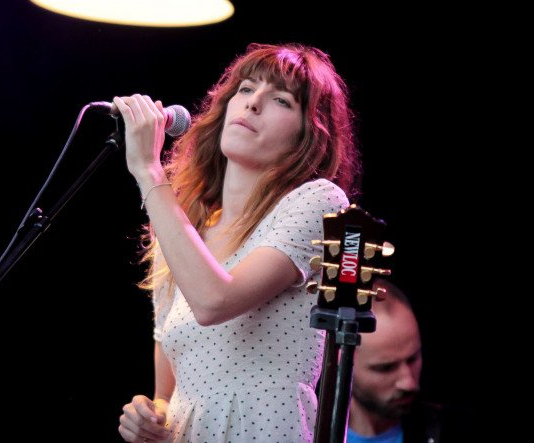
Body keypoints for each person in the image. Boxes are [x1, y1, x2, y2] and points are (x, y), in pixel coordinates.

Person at [114, 42, 361, 442]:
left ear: (309, 135)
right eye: (245, 89)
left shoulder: (318, 201)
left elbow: (214, 301)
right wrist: (148, 418)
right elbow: (168, 393)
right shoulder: (180, 234)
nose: (253, 103)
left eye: (280, 99)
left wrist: (148, 170)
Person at [347, 280, 430, 443]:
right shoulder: (306, 431)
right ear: (342, 359)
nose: (409, 383)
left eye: (413, 359)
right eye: (386, 368)